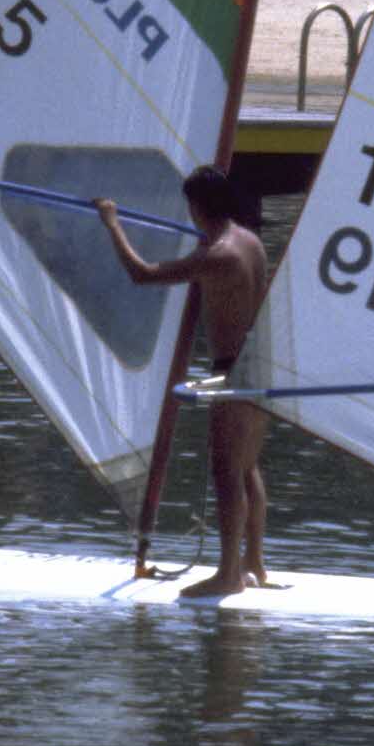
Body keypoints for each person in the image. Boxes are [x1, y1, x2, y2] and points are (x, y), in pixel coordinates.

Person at [94, 166, 270, 599]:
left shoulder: (218, 254)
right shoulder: (248, 241)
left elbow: (143, 274)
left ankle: (229, 576)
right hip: (260, 368)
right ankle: (254, 565)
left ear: (195, 207)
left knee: (227, 472)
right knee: (246, 468)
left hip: (234, 371)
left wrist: (112, 224)